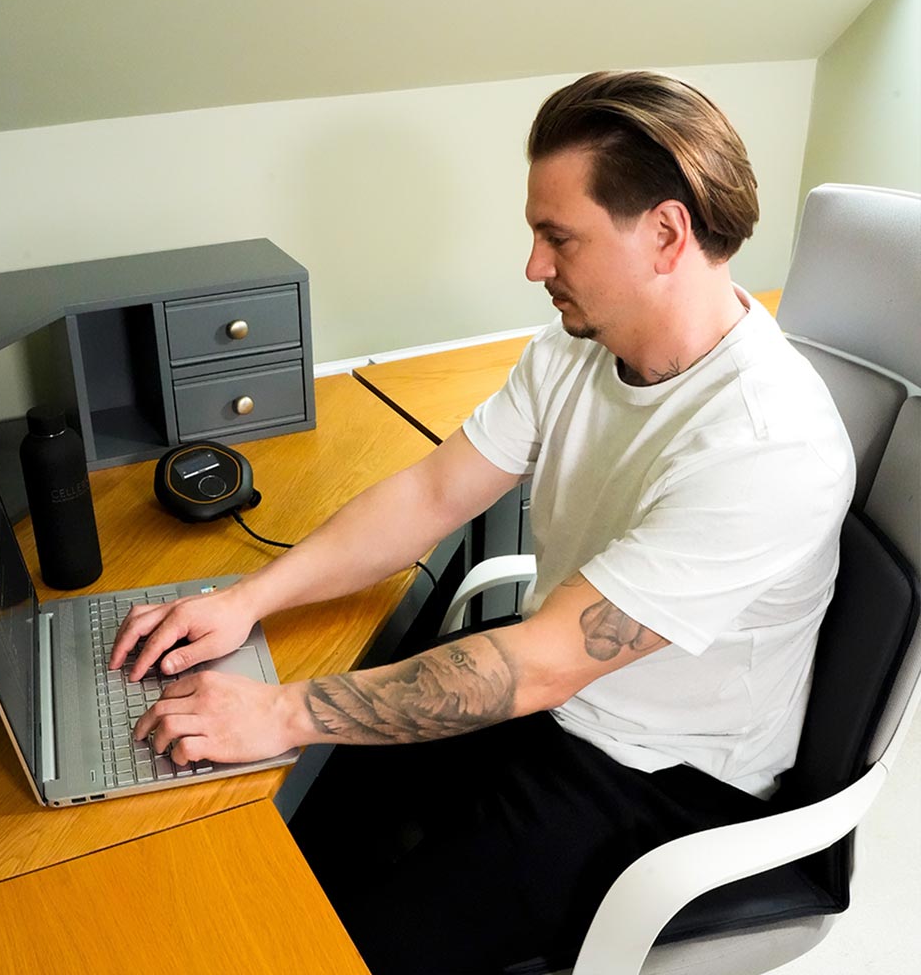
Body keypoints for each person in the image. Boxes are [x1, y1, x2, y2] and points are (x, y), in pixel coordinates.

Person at [111, 70, 854, 973]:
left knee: (339, 947)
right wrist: (247, 601)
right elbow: (432, 495)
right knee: (290, 844)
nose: (535, 267)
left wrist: (278, 710)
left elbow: (542, 665)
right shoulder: (577, 348)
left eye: (558, 237)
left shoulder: (766, 446)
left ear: (665, 234)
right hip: (553, 695)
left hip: (655, 777)